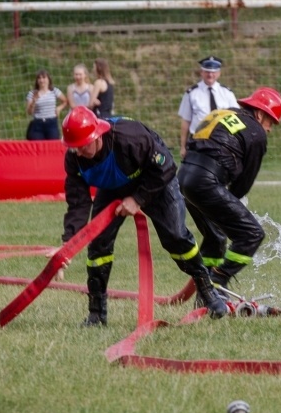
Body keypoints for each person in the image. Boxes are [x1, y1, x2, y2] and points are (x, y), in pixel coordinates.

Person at [59, 106, 227, 326]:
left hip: (155, 180)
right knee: (98, 244)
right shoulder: (74, 158)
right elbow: (78, 203)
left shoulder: (131, 138)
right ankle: (97, 314)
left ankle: (207, 290)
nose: (78, 152)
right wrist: (68, 245)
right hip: (112, 187)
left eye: (82, 146)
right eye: (73, 148)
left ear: (97, 135)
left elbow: (166, 166)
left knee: (175, 237)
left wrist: (137, 199)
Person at [177, 87, 281, 292]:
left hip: (184, 178)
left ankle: (205, 297)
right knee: (252, 234)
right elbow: (243, 184)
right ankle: (217, 284)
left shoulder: (226, 113)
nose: (269, 129)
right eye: (270, 122)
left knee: (215, 237)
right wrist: (229, 201)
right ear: (260, 114)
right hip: (205, 182)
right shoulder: (256, 131)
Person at [177, 55, 237, 160]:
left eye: (213, 72)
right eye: (207, 71)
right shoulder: (192, 93)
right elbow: (186, 121)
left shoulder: (227, 93)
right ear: (201, 72)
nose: (210, 75)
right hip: (198, 140)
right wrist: (183, 146)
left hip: (222, 140)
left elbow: (236, 119)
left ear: (219, 73)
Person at [25, 69, 67, 140]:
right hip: (38, 123)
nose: (41, 80)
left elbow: (65, 101)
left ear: (48, 79)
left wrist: (59, 108)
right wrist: (34, 101)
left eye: (44, 77)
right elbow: (29, 112)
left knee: (53, 145)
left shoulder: (54, 91)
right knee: (38, 147)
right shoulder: (32, 93)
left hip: (51, 123)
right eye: (39, 78)